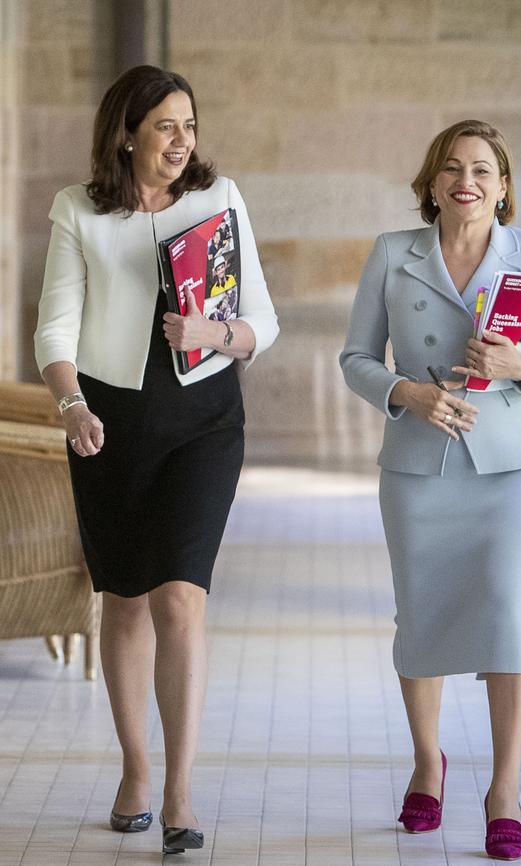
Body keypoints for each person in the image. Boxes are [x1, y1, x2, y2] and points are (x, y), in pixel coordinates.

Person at [34, 65, 278, 856]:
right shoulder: (78, 209)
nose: (183, 142)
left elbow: (260, 323)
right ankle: (135, 769)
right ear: (128, 131)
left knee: (179, 596)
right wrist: (72, 406)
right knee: (127, 598)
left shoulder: (221, 199)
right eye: (167, 126)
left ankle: (179, 789)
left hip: (204, 420)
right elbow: (55, 331)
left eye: (191, 126)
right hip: (109, 421)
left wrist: (212, 335)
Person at [340, 119, 521, 861]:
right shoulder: (392, 254)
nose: (466, 180)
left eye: (482, 169)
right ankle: (426, 761)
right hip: (419, 466)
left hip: (515, 468)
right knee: (422, 615)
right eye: (452, 168)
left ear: (503, 186)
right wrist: (406, 393)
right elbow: (354, 357)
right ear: (432, 183)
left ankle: (503, 790)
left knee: (510, 609)